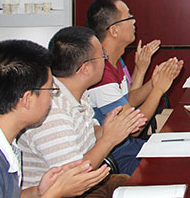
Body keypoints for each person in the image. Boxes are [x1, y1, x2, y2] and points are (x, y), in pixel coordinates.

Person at [0, 39, 110, 198]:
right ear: (27, 100)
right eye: (50, 89)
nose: (54, 95)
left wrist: (38, 192)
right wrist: (56, 192)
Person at [18, 27, 147, 194]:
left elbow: (90, 133)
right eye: (103, 56)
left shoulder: (78, 93)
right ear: (85, 68)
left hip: (85, 183)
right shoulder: (51, 111)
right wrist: (109, 139)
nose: (106, 61)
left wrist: (110, 128)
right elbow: (74, 178)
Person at [85, 0, 183, 174]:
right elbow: (133, 129)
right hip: (120, 157)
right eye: (129, 17)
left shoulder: (114, 61)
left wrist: (155, 81)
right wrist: (158, 89)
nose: (134, 21)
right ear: (114, 30)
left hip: (131, 147)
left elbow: (129, 99)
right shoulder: (101, 74)